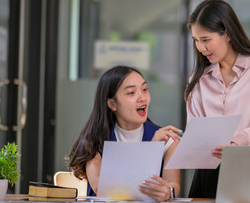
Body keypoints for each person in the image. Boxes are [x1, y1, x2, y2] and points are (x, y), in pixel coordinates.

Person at [185, 0, 250, 198]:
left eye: (205, 40)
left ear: (227, 34)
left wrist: (235, 145)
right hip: (208, 172)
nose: (201, 48)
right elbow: (196, 132)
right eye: (196, 41)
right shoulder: (199, 79)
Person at [68, 66, 181, 202]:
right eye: (131, 93)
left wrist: (168, 191)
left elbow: (173, 184)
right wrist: (151, 148)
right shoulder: (94, 140)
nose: (142, 97)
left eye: (144, 89)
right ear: (112, 104)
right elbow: (102, 188)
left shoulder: (166, 139)